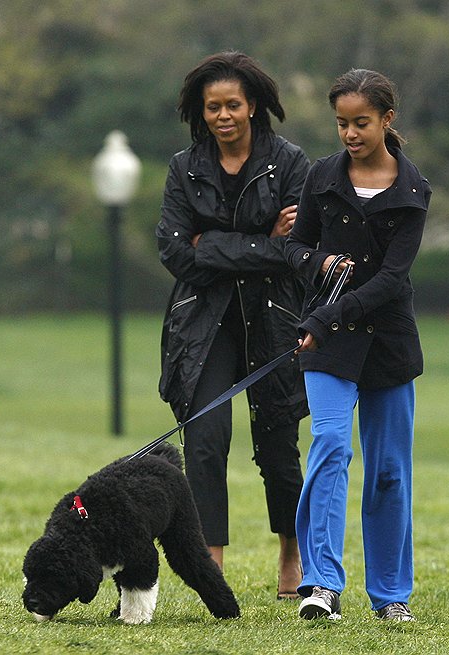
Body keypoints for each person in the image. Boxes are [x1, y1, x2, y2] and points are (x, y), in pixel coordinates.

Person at [155, 51, 310, 600]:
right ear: (201, 112)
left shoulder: (290, 162)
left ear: (253, 107)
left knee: (278, 444)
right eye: (212, 107)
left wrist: (213, 244)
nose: (223, 115)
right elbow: (174, 249)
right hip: (203, 324)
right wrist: (261, 241)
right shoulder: (184, 166)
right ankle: (211, 562)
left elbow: (295, 249)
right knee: (204, 440)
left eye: (233, 105)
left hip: (273, 320)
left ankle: (292, 554)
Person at [284, 69, 431, 622]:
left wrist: (327, 314)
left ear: (387, 120)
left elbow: (392, 280)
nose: (349, 133)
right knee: (329, 449)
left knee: (390, 470)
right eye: (342, 123)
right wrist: (317, 261)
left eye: (360, 123)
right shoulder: (321, 177)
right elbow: (294, 248)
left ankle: (392, 596)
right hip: (327, 341)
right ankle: (320, 585)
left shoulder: (413, 191)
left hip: (386, 341)